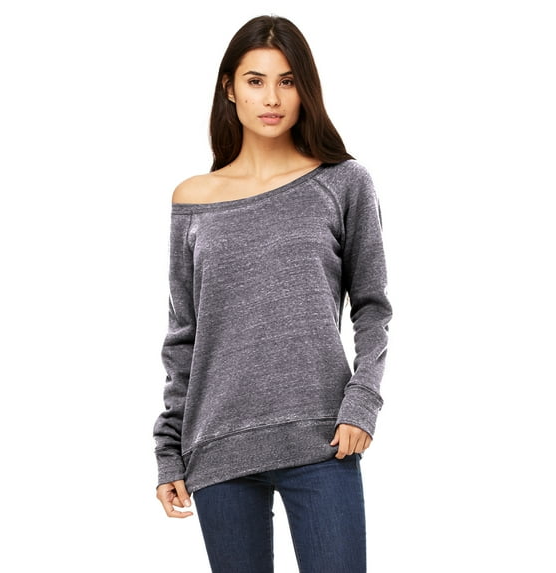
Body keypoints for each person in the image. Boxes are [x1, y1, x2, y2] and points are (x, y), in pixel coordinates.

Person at [153, 14, 392, 573]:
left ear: (305, 89)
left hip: (322, 440)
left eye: (287, 81)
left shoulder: (342, 181)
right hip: (218, 446)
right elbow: (184, 335)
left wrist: (362, 403)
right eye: (255, 80)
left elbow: (373, 307)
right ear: (229, 88)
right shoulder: (193, 199)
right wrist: (168, 450)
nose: (272, 98)